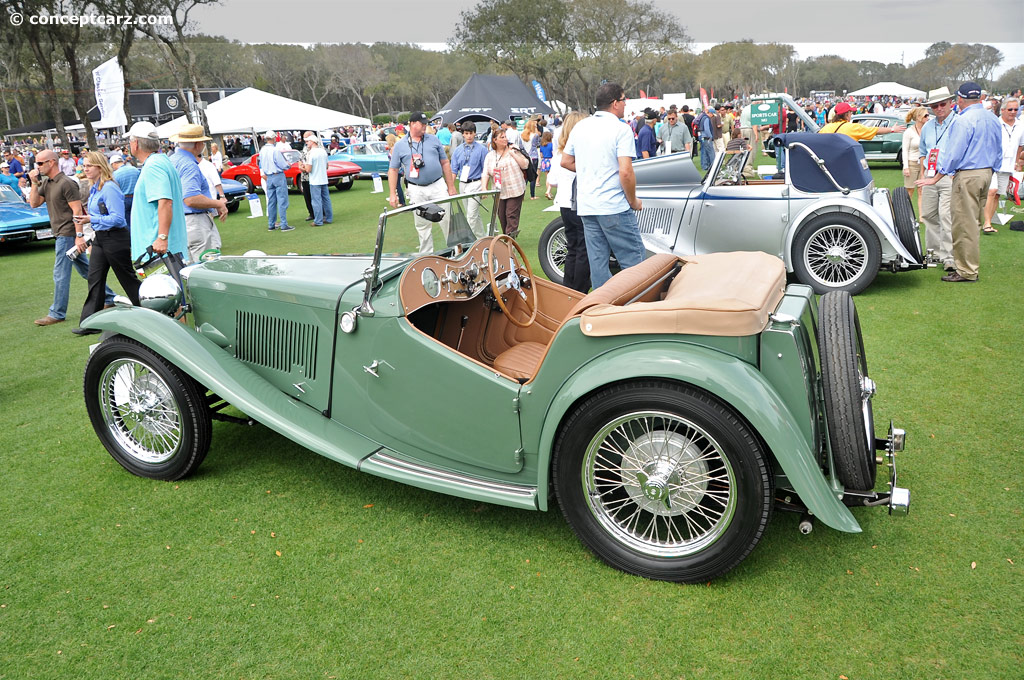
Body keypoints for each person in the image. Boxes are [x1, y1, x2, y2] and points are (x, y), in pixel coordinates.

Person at [561, 82, 645, 288]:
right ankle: (638, 310)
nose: (626, 105)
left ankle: (603, 311)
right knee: (635, 263)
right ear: (615, 103)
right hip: (613, 205)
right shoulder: (621, 129)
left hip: (588, 206)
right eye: (624, 100)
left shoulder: (580, 126)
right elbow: (626, 171)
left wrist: (593, 171)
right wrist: (633, 200)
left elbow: (566, 161)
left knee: (598, 264)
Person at [917, 81, 1002, 283]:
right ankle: (966, 266)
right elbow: (999, 149)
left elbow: (954, 153)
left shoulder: (963, 121)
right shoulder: (991, 118)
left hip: (968, 174)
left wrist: (938, 176)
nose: (938, 109)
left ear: (959, 99)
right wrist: (992, 170)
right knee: (972, 222)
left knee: (964, 224)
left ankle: (966, 270)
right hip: (986, 172)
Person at [28, 149, 114, 327]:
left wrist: (79, 236)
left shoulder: (66, 183)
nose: (37, 167)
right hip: (61, 233)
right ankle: (108, 296)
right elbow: (34, 203)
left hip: (67, 233)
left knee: (60, 273)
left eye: (40, 163)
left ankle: (57, 312)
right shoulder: (47, 183)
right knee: (86, 270)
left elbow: (77, 210)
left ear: (51, 162)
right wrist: (34, 183)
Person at [71, 152, 140, 336]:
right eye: (84, 166)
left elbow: (118, 219)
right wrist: (90, 220)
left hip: (116, 238)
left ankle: (150, 311)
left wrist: (91, 218)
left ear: (99, 167)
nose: (84, 169)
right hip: (101, 238)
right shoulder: (95, 188)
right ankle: (90, 322)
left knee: (127, 279)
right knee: (95, 279)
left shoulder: (109, 188)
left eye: (88, 166)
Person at [387, 111, 456, 254]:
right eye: (422, 123)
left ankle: (455, 251)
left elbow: (445, 163)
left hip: (437, 184)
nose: (425, 126)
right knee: (422, 224)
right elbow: (393, 170)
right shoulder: (400, 145)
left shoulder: (433, 139)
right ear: (412, 124)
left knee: (447, 219)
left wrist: (451, 186)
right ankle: (426, 255)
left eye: (426, 124)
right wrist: (392, 193)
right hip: (416, 188)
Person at [128, 121, 189, 263]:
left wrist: (162, 237)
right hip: (159, 250)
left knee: (163, 284)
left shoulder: (154, 165)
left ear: (135, 143)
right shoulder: (160, 162)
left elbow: (165, 201)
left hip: (159, 253)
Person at [916, 87, 958, 272]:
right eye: (935, 105)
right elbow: (923, 152)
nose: (939, 108)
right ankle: (933, 253)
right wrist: (925, 171)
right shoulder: (927, 127)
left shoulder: (958, 123)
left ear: (951, 103)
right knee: (928, 215)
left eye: (943, 104)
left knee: (946, 215)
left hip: (950, 176)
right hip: (930, 177)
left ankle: (949, 257)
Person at [170, 124, 227, 262]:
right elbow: (190, 198)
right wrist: (218, 203)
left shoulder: (172, 160)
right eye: (202, 142)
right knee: (206, 269)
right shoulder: (189, 164)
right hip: (194, 221)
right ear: (197, 144)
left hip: (178, 221)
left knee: (187, 270)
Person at [550, 111, 591, 293]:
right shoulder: (577, 155)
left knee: (573, 247)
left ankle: (569, 288)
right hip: (578, 204)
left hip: (564, 204)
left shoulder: (560, 153)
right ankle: (579, 290)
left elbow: (552, 180)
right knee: (583, 249)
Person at [982, 97, 1024, 234]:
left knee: (998, 194)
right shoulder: (995, 123)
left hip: (1008, 164)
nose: (1013, 112)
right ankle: (986, 223)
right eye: (1010, 109)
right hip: (992, 163)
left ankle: (988, 219)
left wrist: (1017, 163)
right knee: (991, 191)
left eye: (1016, 109)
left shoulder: (1020, 125)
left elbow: (1020, 146)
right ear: (1003, 110)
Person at [482, 129, 529, 238]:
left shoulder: (514, 150)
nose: (505, 139)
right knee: (502, 217)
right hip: (499, 192)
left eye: (505, 137)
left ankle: (509, 241)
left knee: (511, 215)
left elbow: (525, 165)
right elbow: (485, 173)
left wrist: (513, 154)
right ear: (495, 140)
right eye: (502, 137)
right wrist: (484, 187)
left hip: (515, 189)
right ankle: (507, 237)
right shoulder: (490, 156)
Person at [449, 121, 488, 237]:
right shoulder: (457, 151)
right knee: (473, 214)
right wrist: (451, 187)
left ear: (475, 134)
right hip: (463, 184)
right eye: (467, 133)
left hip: (476, 183)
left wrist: (484, 187)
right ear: (463, 134)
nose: (469, 136)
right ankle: (482, 238)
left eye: (471, 133)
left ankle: (468, 240)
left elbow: (486, 170)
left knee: (471, 215)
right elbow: (454, 170)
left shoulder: (482, 149)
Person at [258, 130, 293, 232]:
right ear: (274, 139)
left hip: (268, 176)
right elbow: (282, 164)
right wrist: (288, 165)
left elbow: (261, 163)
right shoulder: (275, 150)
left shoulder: (262, 150)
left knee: (271, 201)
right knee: (282, 200)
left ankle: (271, 224)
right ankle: (283, 224)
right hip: (277, 175)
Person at [819, 102, 906, 139]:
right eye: (850, 113)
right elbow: (875, 130)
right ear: (847, 114)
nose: (851, 115)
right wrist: (892, 129)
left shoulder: (826, 128)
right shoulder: (853, 127)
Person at [901, 107, 928, 218]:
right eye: (925, 115)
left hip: (924, 164)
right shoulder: (909, 132)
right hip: (912, 163)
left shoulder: (927, 130)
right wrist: (906, 167)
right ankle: (905, 214)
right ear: (918, 117)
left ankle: (922, 216)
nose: (928, 117)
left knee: (922, 190)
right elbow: (905, 150)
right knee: (910, 190)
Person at [302, 131, 333, 227]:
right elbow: (327, 166)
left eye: (308, 141)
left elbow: (308, 169)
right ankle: (328, 218)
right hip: (323, 178)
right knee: (326, 199)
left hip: (315, 180)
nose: (307, 143)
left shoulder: (311, 153)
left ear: (312, 142)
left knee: (316, 201)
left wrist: (301, 167)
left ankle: (318, 220)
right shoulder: (323, 151)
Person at [110, 153, 140, 228]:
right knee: (138, 220)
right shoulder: (135, 170)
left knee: (127, 222)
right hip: (137, 197)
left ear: (113, 164)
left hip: (124, 199)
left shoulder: (115, 175)